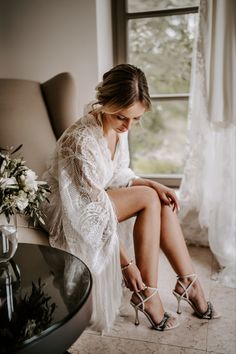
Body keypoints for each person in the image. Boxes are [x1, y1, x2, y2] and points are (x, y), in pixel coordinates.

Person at [41, 64, 220, 332]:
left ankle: (189, 282)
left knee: (159, 198)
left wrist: (152, 183)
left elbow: (117, 174)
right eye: (123, 117)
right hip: (71, 210)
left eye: (136, 119)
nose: (128, 126)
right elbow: (90, 212)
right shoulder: (79, 141)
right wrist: (127, 266)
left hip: (96, 199)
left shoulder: (117, 124)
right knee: (149, 199)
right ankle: (148, 295)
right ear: (105, 103)